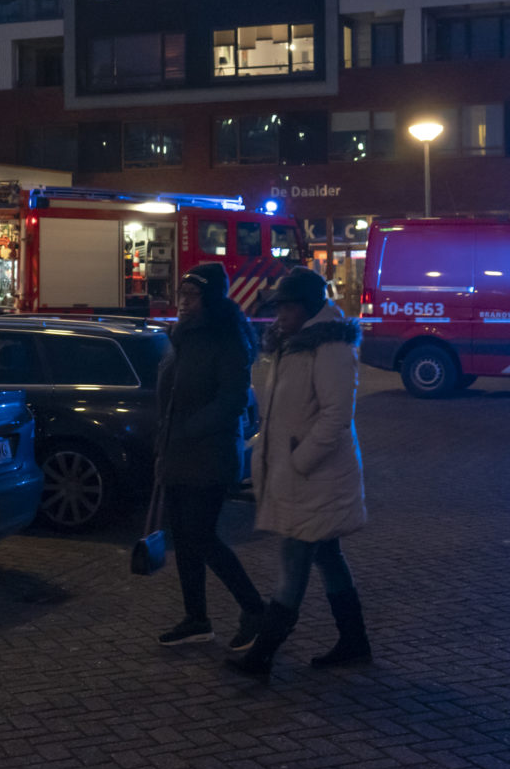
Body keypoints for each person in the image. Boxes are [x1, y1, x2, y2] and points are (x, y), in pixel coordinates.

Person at [228, 266, 369, 679]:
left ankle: (263, 654)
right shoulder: (292, 344)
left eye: (286, 306)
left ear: (307, 308)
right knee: (326, 553)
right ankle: (354, 640)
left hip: (315, 476)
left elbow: (336, 415)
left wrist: (298, 461)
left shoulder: (330, 346)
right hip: (302, 475)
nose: (279, 315)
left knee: (294, 558)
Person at [154, 263, 265, 651]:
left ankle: (255, 610)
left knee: (202, 536)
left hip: (211, 455)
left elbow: (232, 399)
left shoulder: (227, 339)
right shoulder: (182, 336)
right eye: (181, 294)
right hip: (180, 452)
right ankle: (196, 618)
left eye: (192, 295)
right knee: (184, 538)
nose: (183, 303)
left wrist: (189, 427)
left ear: (211, 298)